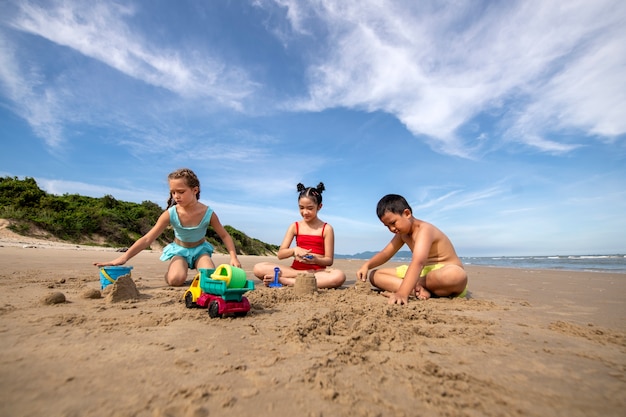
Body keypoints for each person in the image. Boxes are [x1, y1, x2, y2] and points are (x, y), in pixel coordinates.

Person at [94, 168, 241, 286]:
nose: (176, 196)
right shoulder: (170, 214)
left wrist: (233, 257)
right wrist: (123, 258)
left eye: (181, 192)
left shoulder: (208, 213)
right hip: (180, 251)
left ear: (195, 190)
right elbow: (147, 239)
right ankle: (172, 272)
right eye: (173, 192)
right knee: (176, 280)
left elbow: (224, 235)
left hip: (201, 250)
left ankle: (198, 273)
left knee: (209, 278)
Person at [356, 194, 467, 304]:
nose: (392, 229)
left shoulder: (425, 230)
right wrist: (367, 265)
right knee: (375, 275)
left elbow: (418, 262)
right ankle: (417, 290)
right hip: (422, 273)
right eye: (387, 226)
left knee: (456, 275)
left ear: (407, 213)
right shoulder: (402, 234)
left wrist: (402, 293)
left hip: (441, 272)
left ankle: (411, 287)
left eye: (393, 223)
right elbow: (386, 253)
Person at [253, 182, 346, 288]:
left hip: (319, 272)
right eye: (301, 208)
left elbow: (329, 260)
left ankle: (285, 281)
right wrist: (294, 250)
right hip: (294, 271)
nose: (305, 212)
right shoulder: (295, 226)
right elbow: (280, 254)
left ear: (319, 207)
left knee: (339, 276)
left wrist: (315, 260)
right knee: (258, 268)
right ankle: (303, 277)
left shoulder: (327, 228)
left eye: (310, 208)